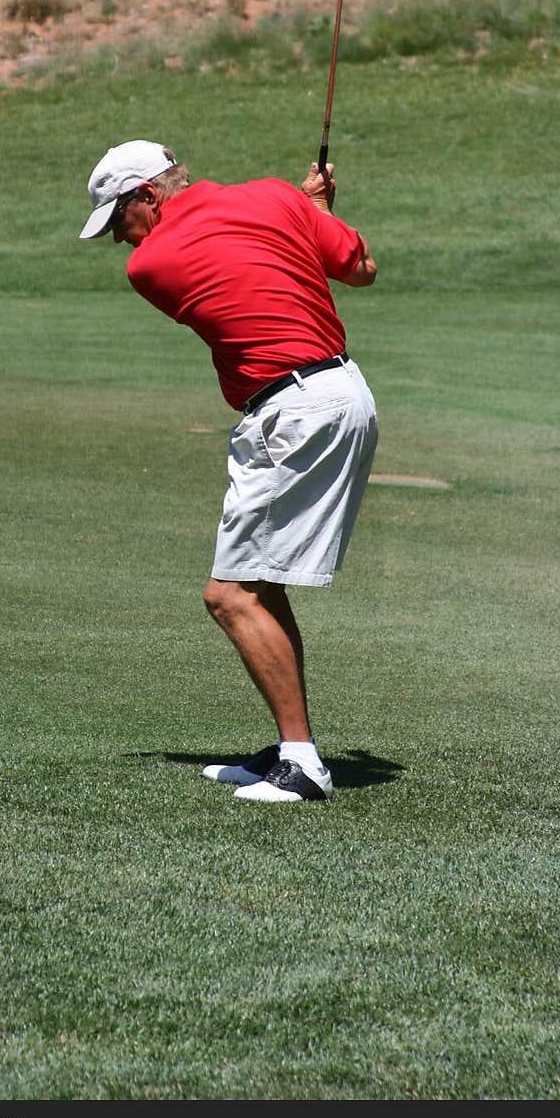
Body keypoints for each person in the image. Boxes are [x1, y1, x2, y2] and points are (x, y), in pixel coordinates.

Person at [79, 140, 377, 803]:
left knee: (230, 595)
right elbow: (360, 271)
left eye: (118, 221)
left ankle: (302, 766)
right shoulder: (271, 196)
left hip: (292, 413)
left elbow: (223, 249)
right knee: (262, 585)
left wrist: (304, 210)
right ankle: (289, 747)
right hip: (340, 393)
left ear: (147, 196)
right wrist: (310, 212)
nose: (119, 243)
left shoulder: (150, 265)